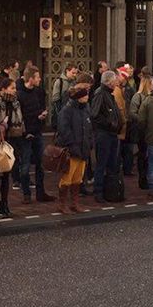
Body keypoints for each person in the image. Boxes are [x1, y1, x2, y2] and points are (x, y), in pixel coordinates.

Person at [15, 67, 54, 203]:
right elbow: (19, 117)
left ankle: (40, 192)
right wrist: (25, 131)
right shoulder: (19, 95)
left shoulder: (38, 92)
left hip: (37, 131)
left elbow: (40, 107)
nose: (39, 79)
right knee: (25, 166)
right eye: (37, 77)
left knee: (40, 164)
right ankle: (26, 194)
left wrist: (42, 115)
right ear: (30, 78)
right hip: (25, 134)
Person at [54, 83, 93, 213]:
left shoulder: (86, 108)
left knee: (78, 178)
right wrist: (72, 145)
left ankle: (74, 203)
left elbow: (89, 128)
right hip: (72, 150)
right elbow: (64, 130)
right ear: (79, 97)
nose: (87, 97)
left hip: (82, 149)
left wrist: (89, 142)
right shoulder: (67, 110)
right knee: (67, 178)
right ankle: (62, 204)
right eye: (85, 95)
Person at [89, 70, 123, 203]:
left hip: (112, 134)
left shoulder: (109, 94)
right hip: (104, 134)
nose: (117, 83)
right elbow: (95, 115)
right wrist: (110, 124)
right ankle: (98, 191)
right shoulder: (100, 94)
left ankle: (110, 190)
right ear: (109, 81)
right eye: (115, 80)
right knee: (102, 163)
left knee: (111, 163)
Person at [0, 75, 23, 217]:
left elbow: (18, 119)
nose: (15, 91)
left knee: (6, 175)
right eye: (12, 88)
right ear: (3, 89)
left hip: (11, 138)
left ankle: (5, 204)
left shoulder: (15, 102)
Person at [129, 74, 153, 190]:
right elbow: (132, 113)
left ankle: (148, 177)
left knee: (149, 155)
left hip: (150, 129)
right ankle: (142, 178)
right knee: (143, 154)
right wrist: (142, 118)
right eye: (151, 83)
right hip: (141, 129)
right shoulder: (137, 97)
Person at [49, 63, 78, 127]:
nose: (75, 75)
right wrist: (59, 114)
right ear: (67, 71)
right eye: (73, 73)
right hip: (62, 111)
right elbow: (55, 100)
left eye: (76, 73)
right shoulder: (59, 82)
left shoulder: (75, 82)